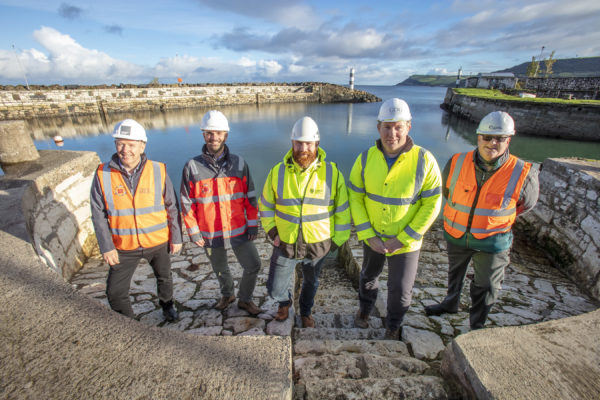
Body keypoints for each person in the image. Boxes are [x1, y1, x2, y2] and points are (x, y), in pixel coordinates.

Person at [425, 111, 539, 330]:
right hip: (457, 234)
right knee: (454, 274)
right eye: (487, 137)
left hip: (492, 241)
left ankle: (476, 325)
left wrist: (492, 219)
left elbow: (527, 203)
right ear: (478, 137)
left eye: (500, 138)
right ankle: (451, 303)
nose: (492, 143)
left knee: (486, 285)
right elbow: (448, 191)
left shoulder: (522, 171)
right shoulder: (457, 161)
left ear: (509, 140)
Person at [348, 98, 442, 339]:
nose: (392, 133)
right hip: (374, 238)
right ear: (378, 127)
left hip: (407, 242)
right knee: (368, 277)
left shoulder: (424, 160)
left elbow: (432, 203)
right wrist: (368, 234)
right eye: (387, 127)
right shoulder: (365, 158)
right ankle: (365, 311)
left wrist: (403, 238)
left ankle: (393, 326)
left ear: (408, 127)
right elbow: (355, 197)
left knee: (400, 289)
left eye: (398, 126)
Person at [259, 116, 351, 328]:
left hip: (318, 242)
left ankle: (306, 312)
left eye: (308, 143)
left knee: (312, 282)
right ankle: (284, 301)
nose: (303, 148)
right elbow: (265, 205)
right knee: (274, 287)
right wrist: (272, 232)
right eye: (299, 142)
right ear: (292, 143)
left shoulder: (332, 173)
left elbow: (342, 210)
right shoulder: (277, 172)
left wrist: (336, 241)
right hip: (285, 241)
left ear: (317, 144)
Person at [90, 119, 181, 321]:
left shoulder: (158, 170)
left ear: (142, 146)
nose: (125, 150)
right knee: (115, 292)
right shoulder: (102, 174)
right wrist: (106, 247)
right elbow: (98, 214)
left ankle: (167, 306)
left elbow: (171, 206)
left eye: (131, 145)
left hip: (157, 241)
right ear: (115, 145)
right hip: (123, 246)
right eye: (121, 143)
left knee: (164, 278)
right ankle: (130, 324)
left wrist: (176, 237)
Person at [180, 110, 262, 315]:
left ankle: (245, 299)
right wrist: (194, 232)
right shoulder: (192, 167)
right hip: (210, 232)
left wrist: (252, 224)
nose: (213, 137)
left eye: (218, 133)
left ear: (226, 135)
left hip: (238, 228)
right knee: (219, 268)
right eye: (209, 133)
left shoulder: (240, 164)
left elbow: (250, 197)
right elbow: (186, 202)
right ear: (203, 135)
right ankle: (227, 294)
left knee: (253, 265)